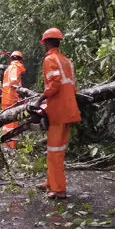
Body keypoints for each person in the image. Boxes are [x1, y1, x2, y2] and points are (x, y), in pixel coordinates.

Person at [35, 28, 81, 200]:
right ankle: (50, 182)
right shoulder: (67, 61)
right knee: (56, 149)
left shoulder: (50, 59)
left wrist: (41, 98)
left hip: (59, 112)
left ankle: (59, 189)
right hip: (70, 109)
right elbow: (73, 86)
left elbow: (54, 84)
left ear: (46, 43)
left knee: (54, 151)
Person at [0, 51, 26, 149]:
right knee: (12, 124)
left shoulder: (9, 68)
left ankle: (6, 145)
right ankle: (10, 147)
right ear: (20, 60)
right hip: (12, 99)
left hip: (7, 99)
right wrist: (23, 92)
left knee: (7, 124)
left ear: (11, 59)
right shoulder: (15, 67)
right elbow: (14, 81)